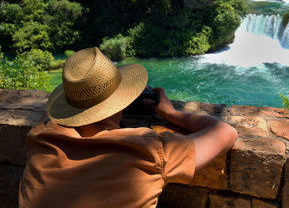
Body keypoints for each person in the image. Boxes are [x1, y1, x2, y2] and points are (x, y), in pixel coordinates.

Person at [19, 47, 238, 208]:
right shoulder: (147, 150)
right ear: (122, 99)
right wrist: (171, 113)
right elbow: (226, 133)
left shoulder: (40, 137)